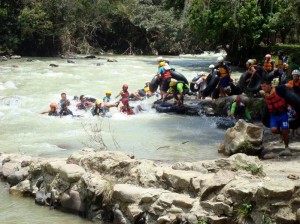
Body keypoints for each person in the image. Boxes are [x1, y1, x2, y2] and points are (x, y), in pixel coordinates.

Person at [261, 80, 291, 155]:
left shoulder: (278, 89)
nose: (263, 88)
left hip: (283, 113)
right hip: (273, 115)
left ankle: (286, 147)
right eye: (262, 87)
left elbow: (288, 85)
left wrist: (292, 94)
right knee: (273, 130)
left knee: (285, 130)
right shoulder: (265, 93)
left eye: (264, 86)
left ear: (269, 85)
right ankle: (283, 134)